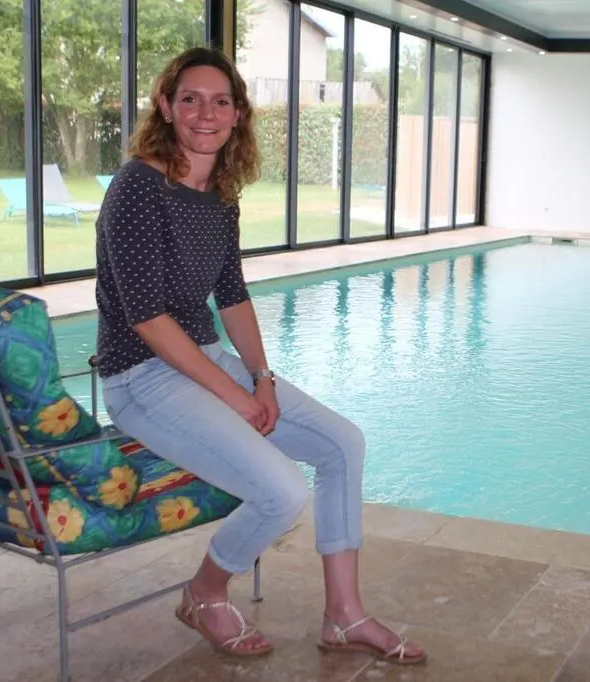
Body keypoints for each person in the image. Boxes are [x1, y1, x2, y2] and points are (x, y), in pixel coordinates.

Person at [95, 47, 425, 664]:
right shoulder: (137, 187)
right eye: (190, 99)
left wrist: (261, 379)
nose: (206, 113)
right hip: (141, 377)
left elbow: (233, 295)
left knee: (342, 444)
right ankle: (204, 592)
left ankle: (344, 616)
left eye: (221, 101)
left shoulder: (221, 193)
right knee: (282, 492)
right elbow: (148, 320)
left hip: (205, 359)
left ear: (238, 114)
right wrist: (235, 396)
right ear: (165, 107)